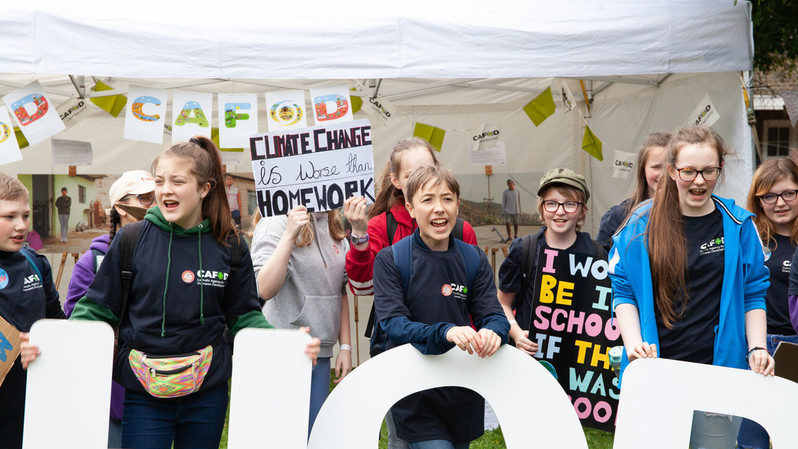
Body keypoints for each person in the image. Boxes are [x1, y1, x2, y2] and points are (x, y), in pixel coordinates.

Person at [22, 137, 321, 449]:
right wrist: (54, 344)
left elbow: (244, 316)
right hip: (143, 396)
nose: (166, 190)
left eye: (178, 181)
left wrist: (286, 345)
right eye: (160, 181)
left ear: (204, 188)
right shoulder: (130, 240)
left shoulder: (230, 245)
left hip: (207, 395)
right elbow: (95, 310)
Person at [610, 126, 774, 449]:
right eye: (688, 171)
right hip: (657, 374)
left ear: (719, 170)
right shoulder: (641, 224)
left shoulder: (739, 225)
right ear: (672, 171)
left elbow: (754, 290)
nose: (699, 181)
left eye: (708, 171)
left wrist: (757, 348)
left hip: (720, 377)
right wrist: (634, 345)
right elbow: (624, 289)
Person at [344, 137, 478, 449]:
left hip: (451, 350)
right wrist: (361, 236)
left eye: (429, 169)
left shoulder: (460, 229)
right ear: (396, 181)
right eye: (411, 174)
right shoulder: (381, 226)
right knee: (407, 435)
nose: (422, 179)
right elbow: (363, 286)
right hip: (399, 346)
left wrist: (474, 334)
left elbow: (471, 291)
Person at [373, 165, 509, 449]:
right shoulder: (391, 259)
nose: (439, 208)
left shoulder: (473, 258)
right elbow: (393, 324)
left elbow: (494, 315)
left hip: (460, 393)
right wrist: (445, 332)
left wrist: (493, 332)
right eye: (428, 200)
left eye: (447, 199)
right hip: (414, 396)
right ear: (410, 208)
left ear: (458, 206)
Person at [63, 170, 155, 448]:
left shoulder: (169, 252)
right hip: (112, 389)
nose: (154, 204)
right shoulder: (94, 261)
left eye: (156, 197)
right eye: (144, 198)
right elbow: (75, 319)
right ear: (120, 207)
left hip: (160, 384)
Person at [251, 206, 352, 434]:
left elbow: (341, 289)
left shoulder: (331, 222)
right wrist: (289, 235)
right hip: (284, 351)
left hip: (321, 352)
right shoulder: (274, 222)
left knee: (313, 435)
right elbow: (263, 288)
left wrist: (344, 346)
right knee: (283, 436)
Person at [496, 168, 599, 354]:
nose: (560, 212)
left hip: (576, 360)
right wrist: (516, 333)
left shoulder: (597, 253)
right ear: (541, 208)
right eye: (551, 203)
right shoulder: (524, 249)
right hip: (532, 358)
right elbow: (503, 302)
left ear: (583, 211)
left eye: (570, 204)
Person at [0, 173, 65, 449]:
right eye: (9, 216)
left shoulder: (36, 263)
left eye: (25, 216)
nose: (21, 226)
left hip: (36, 407)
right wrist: (11, 349)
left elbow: (59, 324)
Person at [736, 157, 798, 449]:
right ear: (758, 199)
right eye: (769, 196)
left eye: (789, 193)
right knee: (751, 436)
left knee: (791, 433)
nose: (780, 203)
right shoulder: (749, 238)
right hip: (755, 346)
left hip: (794, 345)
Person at [595, 132, 669, 251]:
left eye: (670, 167)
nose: (664, 174)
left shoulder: (689, 212)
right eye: (656, 167)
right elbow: (601, 262)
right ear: (643, 170)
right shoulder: (619, 216)